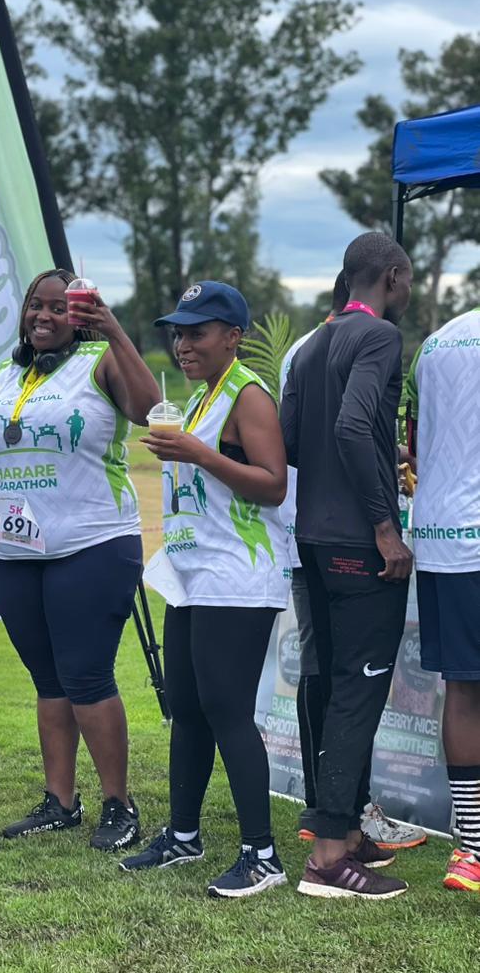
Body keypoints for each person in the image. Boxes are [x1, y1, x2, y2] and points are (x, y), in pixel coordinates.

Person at [0, 268, 159, 852]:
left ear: (80, 317)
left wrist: (113, 329)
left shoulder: (99, 362)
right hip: (13, 554)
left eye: (59, 308)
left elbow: (148, 409)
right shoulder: (5, 375)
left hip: (92, 546)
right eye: (36, 304)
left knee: (87, 676)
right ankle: (60, 801)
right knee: (48, 679)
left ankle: (119, 804)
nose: (43, 315)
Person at [122, 281, 291, 899]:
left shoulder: (248, 395)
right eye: (178, 333)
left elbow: (273, 484)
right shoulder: (198, 399)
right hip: (193, 574)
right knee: (187, 708)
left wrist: (199, 454)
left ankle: (262, 855)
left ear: (233, 336)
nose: (183, 344)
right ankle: (184, 835)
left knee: (226, 710)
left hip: (238, 575)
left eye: (197, 332)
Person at [281, 232, 414, 899]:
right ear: (392, 276)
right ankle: (329, 858)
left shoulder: (312, 346)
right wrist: (384, 526)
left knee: (336, 687)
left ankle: (351, 832)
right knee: (359, 693)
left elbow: (289, 441)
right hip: (361, 546)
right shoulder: (380, 337)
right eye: (408, 279)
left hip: (312, 539)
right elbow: (352, 427)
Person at [408, 304, 480, 891]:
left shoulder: (436, 342)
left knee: (463, 689)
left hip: (437, 533)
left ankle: (471, 850)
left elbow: (412, 441)